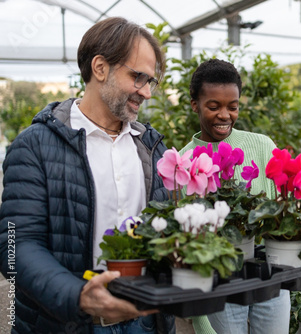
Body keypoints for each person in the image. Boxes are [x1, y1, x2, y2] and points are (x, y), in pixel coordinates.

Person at [0, 17, 175, 334]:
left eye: (151, 81)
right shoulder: (34, 146)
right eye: (138, 77)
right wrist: (79, 296)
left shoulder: (153, 150)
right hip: (66, 323)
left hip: (146, 324)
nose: (147, 93)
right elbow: (16, 247)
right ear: (100, 68)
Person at [180, 59, 301, 334]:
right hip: (219, 281)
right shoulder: (185, 160)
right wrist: (201, 319)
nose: (225, 115)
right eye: (214, 106)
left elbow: (286, 207)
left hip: (270, 273)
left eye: (232, 107)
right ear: (194, 105)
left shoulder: (260, 145)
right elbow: (185, 242)